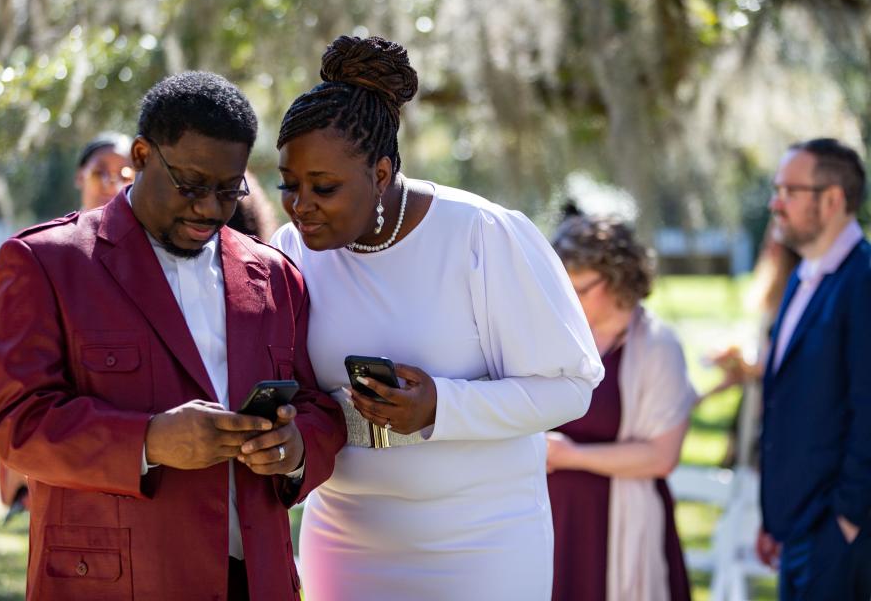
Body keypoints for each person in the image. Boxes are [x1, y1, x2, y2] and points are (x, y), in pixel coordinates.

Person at [0, 71, 346, 600]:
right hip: (118, 583)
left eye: (228, 190)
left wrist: (295, 449)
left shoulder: (275, 276)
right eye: (192, 185)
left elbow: (319, 408)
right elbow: (16, 424)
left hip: (257, 581)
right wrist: (149, 441)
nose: (209, 209)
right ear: (143, 155)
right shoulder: (46, 262)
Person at [269, 35, 603, 601]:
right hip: (346, 538)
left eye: (323, 188)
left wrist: (440, 407)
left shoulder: (481, 235)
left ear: (379, 174)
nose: (301, 206)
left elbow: (570, 389)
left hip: (482, 541)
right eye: (288, 185)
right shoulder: (290, 252)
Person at [546, 214, 695, 601]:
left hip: (614, 525)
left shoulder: (658, 346)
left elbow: (662, 457)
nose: (568, 299)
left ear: (617, 281)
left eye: (580, 288)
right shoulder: (558, 337)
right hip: (550, 520)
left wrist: (571, 455)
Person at [0, 131, 137, 520]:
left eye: (125, 172)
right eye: (101, 172)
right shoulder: (46, 250)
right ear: (80, 177)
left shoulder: (144, 255)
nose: (113, 183)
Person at [758, 137, 871, 600]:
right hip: (795, 529)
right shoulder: (804, 277)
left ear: (832, 200)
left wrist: (845, 520)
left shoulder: (863, 281)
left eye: (789, 191)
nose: (775, 203)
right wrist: (774, 517)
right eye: (776, 189)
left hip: (842, 535)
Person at [701, 221, 800, 467]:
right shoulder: (774, 296)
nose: (769, 251)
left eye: (775, 245)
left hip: (779, 419)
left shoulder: (798, 295)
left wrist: (747, 364)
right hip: (754, 408)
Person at [74, 131, 135, 210]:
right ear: (80, 176)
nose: (111, 186)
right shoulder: (61, 222)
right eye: (99, 173)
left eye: (125, 177)